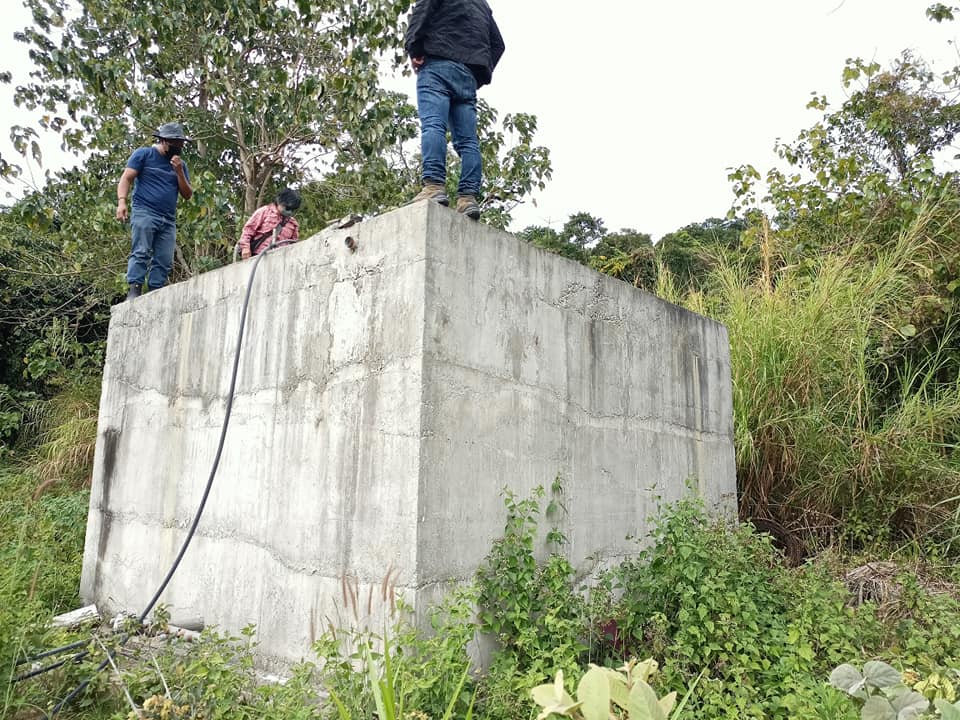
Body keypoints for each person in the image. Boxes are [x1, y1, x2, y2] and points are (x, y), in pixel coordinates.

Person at [404, 0, 504, 220]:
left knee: (433, 125)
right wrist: (480, 73)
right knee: (468, 141)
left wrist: (414, 49)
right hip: (467, 74)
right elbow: (498, 45)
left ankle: (433, 186)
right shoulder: (482, 5)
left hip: (437, 64)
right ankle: (467, 198)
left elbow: (422, 10)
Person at [116, 122, 193, 301]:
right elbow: (126, 178)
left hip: (168, 218)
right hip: (145, 211)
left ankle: (155, 292)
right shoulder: (144, 154)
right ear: (164, 141)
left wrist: (179, 172)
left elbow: (187, 194)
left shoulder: (180, 165)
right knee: (141, 251)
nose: (179, 147)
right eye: (176, 143)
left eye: (181, 143)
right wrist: (122, 202)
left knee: (164, 259)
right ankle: (134, 289)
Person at [237, 188, 302, 259]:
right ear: (280, 202)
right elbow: (248, 230)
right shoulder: (264, 212)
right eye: (288, 208)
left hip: (280, 259)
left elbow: (293, 244)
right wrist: (245, 247)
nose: (290, 212)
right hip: (259, 257)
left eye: (293, 210)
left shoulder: (293, 223)